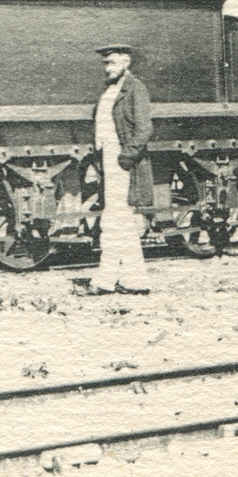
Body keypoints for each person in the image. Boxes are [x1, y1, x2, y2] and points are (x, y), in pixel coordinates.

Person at [76, 44, 154, 295]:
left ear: (126, 63)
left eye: (111, 63)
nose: (107, 68)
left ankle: (105, 280)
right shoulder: (111, 89)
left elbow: (144, 129)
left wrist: (125, 159)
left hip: (122, 162)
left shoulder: (135, 88)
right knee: (121, 221)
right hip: (109, 161)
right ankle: (136, 280)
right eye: (105, 63)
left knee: (114, 221)